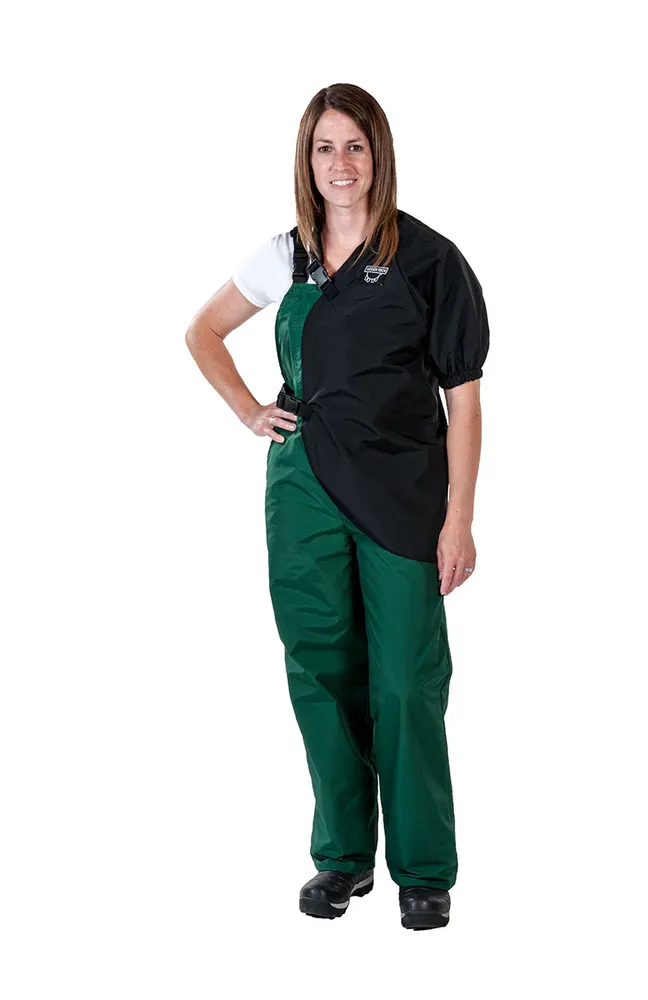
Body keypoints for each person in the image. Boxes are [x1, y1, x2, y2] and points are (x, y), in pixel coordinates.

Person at [185, 83, 489, 930]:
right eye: (325, 148)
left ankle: (423, 870)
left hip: (402, 495)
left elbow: (463, 400)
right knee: (321, 669)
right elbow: (202, 331)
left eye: (355, 146)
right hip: (304, 489)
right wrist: (250, 409)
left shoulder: (430, 261)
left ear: (378, 154)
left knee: (405, 681)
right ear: (306, 160)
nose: (340, 163)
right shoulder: (287, 255)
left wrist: (460, 518)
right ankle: (343, 858)